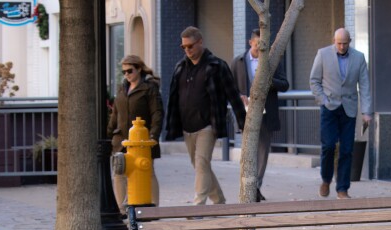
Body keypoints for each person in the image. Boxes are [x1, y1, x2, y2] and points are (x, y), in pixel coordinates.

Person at [165, 26, 246, 205]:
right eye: (184, 47)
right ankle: (219, 201)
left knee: (201, 164)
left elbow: (233, 94)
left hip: (208, 125)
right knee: (201, 167)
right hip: (187, 126)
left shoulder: (217, 66)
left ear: (200, 42)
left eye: (190, 46)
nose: (187, 50)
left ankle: (198, 206)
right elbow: (173, 98)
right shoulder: (180, 68)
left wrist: (243, 123)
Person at [309, 27, 372, 199]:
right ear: (334, 41)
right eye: (339, 43)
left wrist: (366, 111)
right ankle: (326, 179)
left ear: (349, 42)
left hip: (349, 109)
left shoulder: (359, 58)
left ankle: (342, 188)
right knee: (328, 146)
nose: (342, 47)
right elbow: (314, 81)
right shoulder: (323, 54)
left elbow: (365, 85)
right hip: (329, 107)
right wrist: (322, 99)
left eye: (345, 43)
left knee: (347, 149)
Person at [231, 28, 290, 202]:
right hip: (246, 113)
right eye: (257, 45)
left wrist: (269, 82)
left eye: (263, 46)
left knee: (263, 152)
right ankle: (250, 187)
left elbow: (285, 84)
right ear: (251, 43)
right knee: (248, 151)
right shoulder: (238, 62)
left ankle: (255, 186)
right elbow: (229, 86)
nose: (260, 49)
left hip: (266, 114)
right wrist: (238, 96)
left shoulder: (272, 62)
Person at [107, 55, 163, 212]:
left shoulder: (149, 88)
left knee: (148, 172)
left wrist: (153, 136)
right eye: (123, 71)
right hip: (122, 139)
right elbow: (115, 115)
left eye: (129, 71)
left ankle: (154, 208)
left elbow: (157, 114)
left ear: (139, 69)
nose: (126, 74)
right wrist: (108, 135)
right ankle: (122, 210)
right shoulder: (122, 88)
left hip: (142, 139)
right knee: (119, 173)